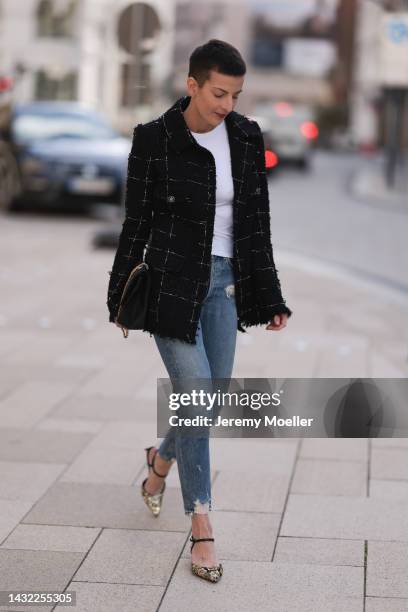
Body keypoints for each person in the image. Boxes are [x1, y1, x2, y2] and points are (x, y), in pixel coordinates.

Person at [107, 39, 292, 583]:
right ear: (191, 84)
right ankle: (202, 525)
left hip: (226, 285)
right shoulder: (154, 140)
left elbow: (256, 224)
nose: (227, 105)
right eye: (218, 93)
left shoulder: (246, 137)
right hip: (170, 288)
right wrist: (120, 293)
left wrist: (270, 294)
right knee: (197, 394)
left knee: (205, 402)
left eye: (235, 94)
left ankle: (157, 466)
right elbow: (134, 224)